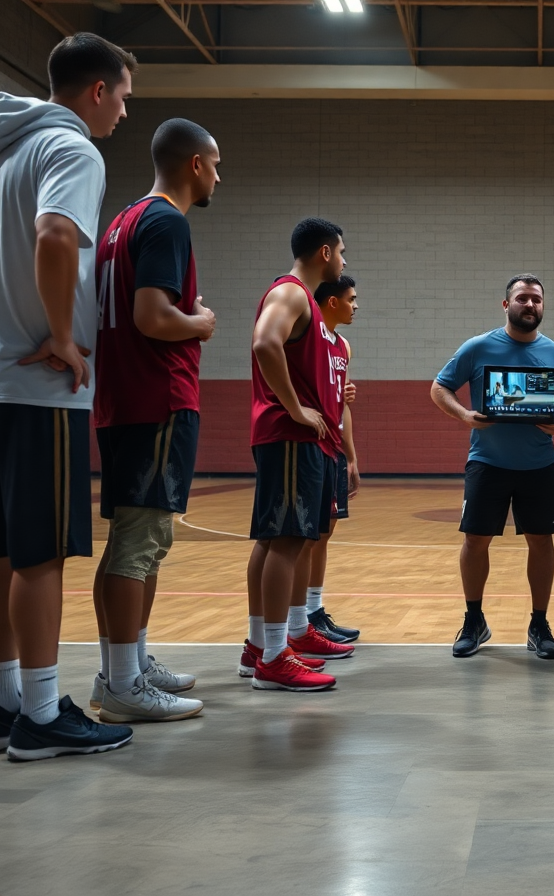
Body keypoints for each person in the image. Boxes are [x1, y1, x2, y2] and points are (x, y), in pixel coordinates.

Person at [0, 34, 137, 760]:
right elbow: (57, 234)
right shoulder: (71, 149)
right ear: (97, 90)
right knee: (41, 553)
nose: (123, 111)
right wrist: (64, 335)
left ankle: (2, 705)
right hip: (40, 383)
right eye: (122, 96)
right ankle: (41, 714)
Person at [88, 118, 220, 723]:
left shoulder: (123, 220)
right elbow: (152, 316)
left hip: (121, 401)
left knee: (131, 540)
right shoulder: (167, 220)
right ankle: (124, 685)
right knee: (140, 543)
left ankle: (124, 665)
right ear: (195, 164)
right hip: (157, 399)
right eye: (215, 165)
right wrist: (200, 323)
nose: (217, 176)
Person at [431, 274, 554, 659]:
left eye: (536, 299)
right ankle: (474, 620)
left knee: (541, 541)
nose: (530, 304)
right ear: (506, 304)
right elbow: (439, 387)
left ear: (543, 306)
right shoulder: (478, 347)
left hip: (538, 465)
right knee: (475, 540)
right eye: (522, 298)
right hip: (487, 463)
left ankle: (539, 624)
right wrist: (465, 414)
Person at [239, 217, 350, 691]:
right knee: (284, 541)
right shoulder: (290, 292)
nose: (343, 260)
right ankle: (273, 657)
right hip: (289, 435)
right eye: (341, 252)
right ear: (325, 252)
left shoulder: (308, 303)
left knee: (275, 541)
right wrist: (295, 408)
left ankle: (258, 646)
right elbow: (265, 342)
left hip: (303, 439)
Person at [301, 274, 362, 645]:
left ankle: (314, 609)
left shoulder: (343, 345)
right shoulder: (309, 338)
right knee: (307, 535)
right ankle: (297, 619)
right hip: (310, 446)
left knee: (326, 531)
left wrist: (351, 456)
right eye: (351, 299)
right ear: (333, 302)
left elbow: (344, 405)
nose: (356, 306)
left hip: (334, 449)